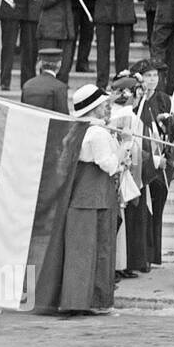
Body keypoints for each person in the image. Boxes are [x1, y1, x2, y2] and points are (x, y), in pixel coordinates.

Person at [35, 85, 120, 315]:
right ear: (93, 109)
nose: (107, 108)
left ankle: (78, 300)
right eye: (103, 105)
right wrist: (123, 152)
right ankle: (90, 301)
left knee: (80, 251)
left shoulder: (79, 130)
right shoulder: (98, 133)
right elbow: (108, 164)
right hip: (94, 195)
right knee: (95, 251)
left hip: (83, 195)